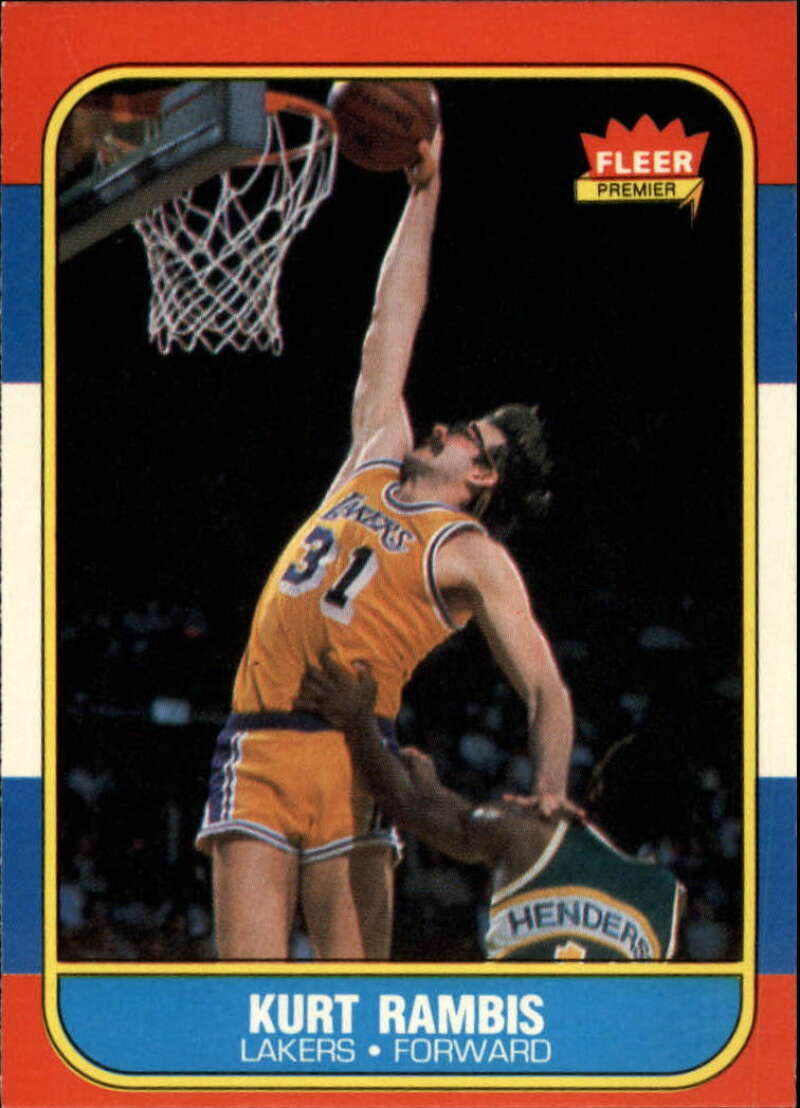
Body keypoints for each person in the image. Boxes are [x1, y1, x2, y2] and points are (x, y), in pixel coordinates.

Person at [195, 130, 579, 960]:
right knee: (240, 1001)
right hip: (257, 740)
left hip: (355, 755)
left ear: (482, 476)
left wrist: (549, 789)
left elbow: (546, 688)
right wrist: (423, 191)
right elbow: (390, 320)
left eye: (466, 435)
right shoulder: (374, 454)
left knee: (354, 1003)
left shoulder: (469, 552)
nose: (441, 427)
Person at [295, 655, 685, 961]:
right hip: (598, 1042)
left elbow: (406, 803)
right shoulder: (669, 898)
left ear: (597, 787)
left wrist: (358, 722)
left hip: (520, 1035)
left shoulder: (530, 832)